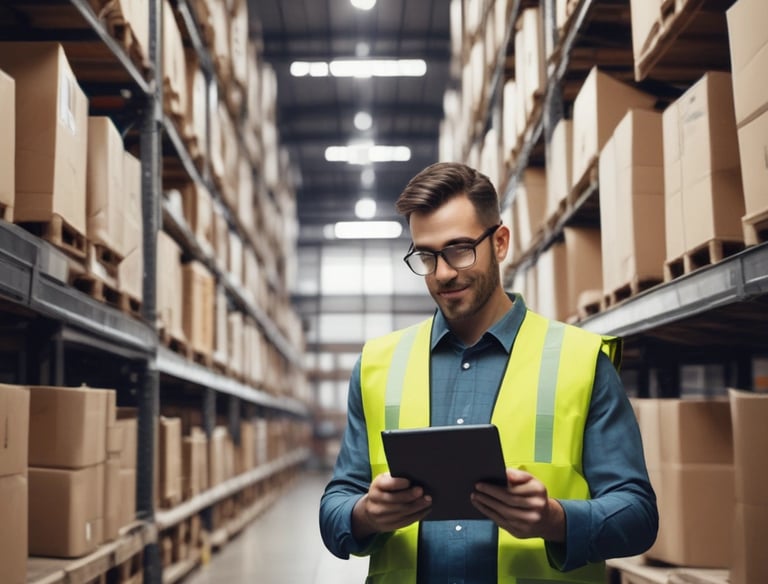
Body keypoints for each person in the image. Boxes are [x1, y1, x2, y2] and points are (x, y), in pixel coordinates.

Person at [319, 162, 658, 583]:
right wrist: (365, 514)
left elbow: (639, 515)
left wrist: (555, 519)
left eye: (459, 250)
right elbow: (335, 508)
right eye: (426, 256)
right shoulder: (377, 365)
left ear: (499, 243)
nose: (442, 273)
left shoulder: (581, 360)